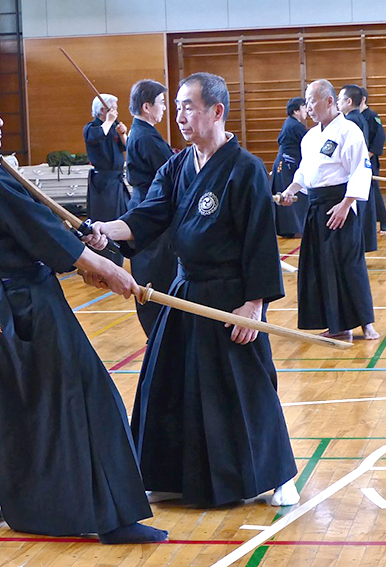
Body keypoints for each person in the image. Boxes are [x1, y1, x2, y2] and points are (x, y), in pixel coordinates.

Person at [0, 81, 167, 544]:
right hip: (23, 306)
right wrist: (111, 271)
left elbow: (36, 231)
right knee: (89, 396)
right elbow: (45, 236)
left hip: (6, 302)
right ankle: (107, 517)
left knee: (14, 402)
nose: (0, 120)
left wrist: (86, 258)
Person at [86, 72, 299, 508]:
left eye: (189, 107)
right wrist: (106, 230)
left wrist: (254, 305)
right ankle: (169, 474)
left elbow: (260, 239)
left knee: (248, 387)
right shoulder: (179, 165)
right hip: (185, 291)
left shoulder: (246, 169)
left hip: (232, 297)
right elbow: (147, 216)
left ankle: (279, 476)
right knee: (168, 381)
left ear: (216, 111)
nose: (180, 116)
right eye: (177, 106)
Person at [281, 79, 379, 341]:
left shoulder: (349, 131)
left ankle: (365, 323)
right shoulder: (311, 136)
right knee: (322, 266)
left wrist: (346, 205)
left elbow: (361, 169)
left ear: (328, 101)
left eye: (311, 101)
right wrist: (291, 190)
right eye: (306, 102)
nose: (308, 107)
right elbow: (305, 171)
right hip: (316, 206)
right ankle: (337, 325)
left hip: (340, 203)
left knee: (349, 264)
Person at [125, 79, 177, 337]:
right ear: (147, 106)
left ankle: (162, 330)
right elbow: (169, 173)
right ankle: (160, 332)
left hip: (147, 205)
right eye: (162, 103)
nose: (165, 108)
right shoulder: (144, 136)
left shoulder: (143, 133)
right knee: (157, 273)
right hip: (151, 210)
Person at [83, 94, 130, 265]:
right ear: (103, 110)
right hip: (102, 182)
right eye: (113, 108)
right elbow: (96, 137)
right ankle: (104, 260)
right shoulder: (91, 127)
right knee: (105, 218)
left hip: (117, 180)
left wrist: (123, 134)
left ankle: (120, 255)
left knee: (122, 215)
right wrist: (109, 121)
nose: (116, 112)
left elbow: (126, 147)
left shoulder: (113, 127)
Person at [336, 84, 377, 252]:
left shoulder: (350, 121)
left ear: (349, 101)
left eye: (339, 99)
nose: (337, 103)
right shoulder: (358, 118)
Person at [271, 97, 309, 238]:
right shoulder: (294, 126)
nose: (306, 110)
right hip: (287, 166)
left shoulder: (292, 124)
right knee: (290, 196)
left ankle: (292, 228)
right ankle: (293, 229)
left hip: (287, 164)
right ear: (296, 111)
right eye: (304, 107)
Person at [360, 87, 386, 235]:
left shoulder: (372, 116)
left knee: (373, 190)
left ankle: (383, 222)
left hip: (369, 160)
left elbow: (380, 137)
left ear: (363, 99)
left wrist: (368, 155)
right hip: (356, 160)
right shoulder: (351, 117)